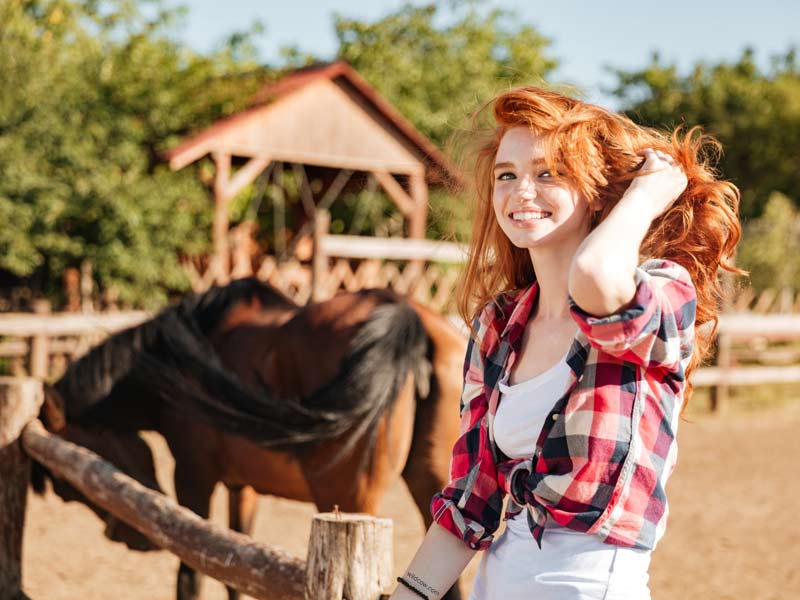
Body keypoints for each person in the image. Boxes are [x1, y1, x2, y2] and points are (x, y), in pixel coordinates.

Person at [390, 87, 742, 600]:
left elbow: (595, 274)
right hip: (497, 583)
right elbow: (472, 501)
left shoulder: (662, 291)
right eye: (506, 175)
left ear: (598, 191)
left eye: (548, 172)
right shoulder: (498, 326)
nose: (520, 192)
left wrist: (644, 195)